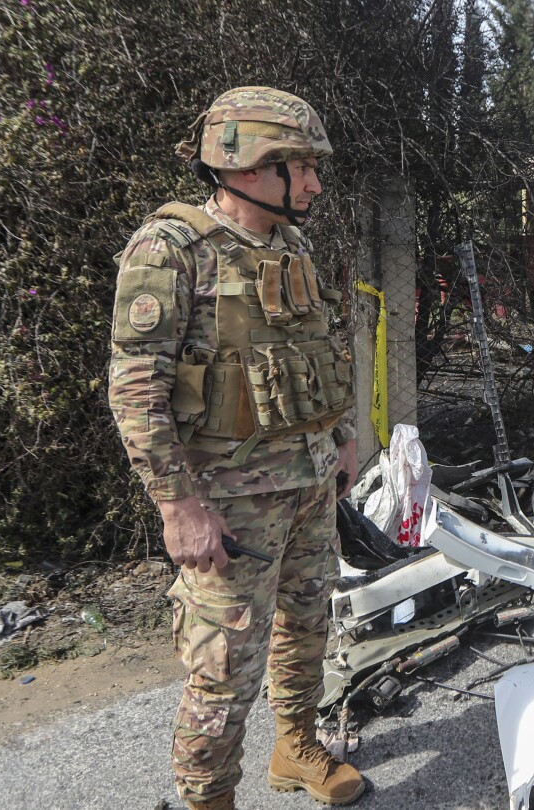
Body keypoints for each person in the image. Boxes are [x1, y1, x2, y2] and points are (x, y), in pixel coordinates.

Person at [108, 87, 365, 809]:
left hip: (311, 482)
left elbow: (314, 352)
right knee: (224, 665)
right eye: (301, 166)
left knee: (308, 627)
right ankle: (207, 796)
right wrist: (177, 505)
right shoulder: (170, 249)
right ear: (249, 165)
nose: (315, 183)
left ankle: (295, 745)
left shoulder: (293, 244)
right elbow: (136, 389)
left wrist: (342, 439)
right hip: (230, 504)